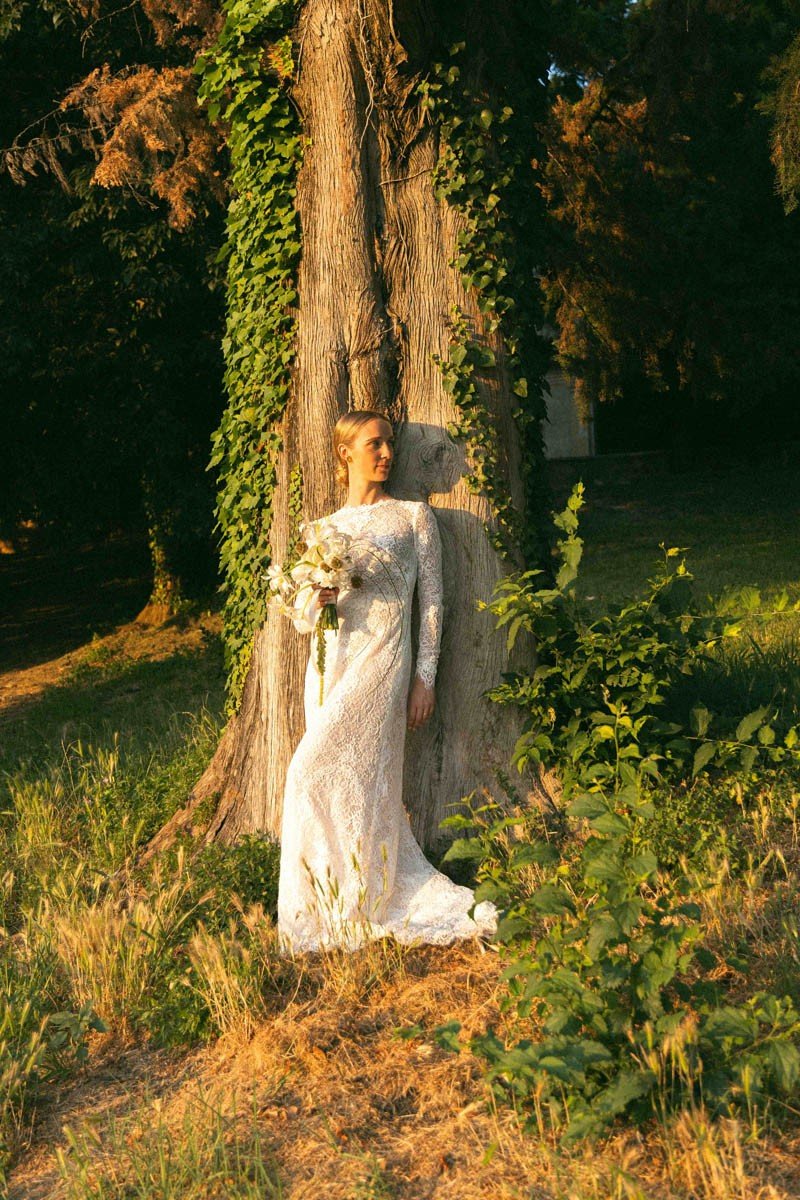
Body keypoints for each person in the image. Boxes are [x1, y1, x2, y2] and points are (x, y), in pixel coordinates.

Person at [276, 408, 498, 953]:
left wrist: (425, 677)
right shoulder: (322, 529)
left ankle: (365, 896)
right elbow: (303, 617)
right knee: (333, 780)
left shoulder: (413, 517)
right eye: (373, 445)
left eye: (389, 444)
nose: (386, 454)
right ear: (344, 453)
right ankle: (329, 900)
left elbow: (433, 604)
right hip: (329, 663)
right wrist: (314, 597)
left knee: (313, 772)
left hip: (384, 662)